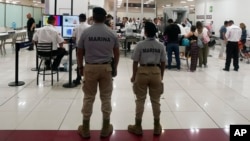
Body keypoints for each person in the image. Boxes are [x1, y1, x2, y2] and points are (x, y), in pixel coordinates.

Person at [77, 7, 120, 138]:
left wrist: (80, 67)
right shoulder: (111, 33)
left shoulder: (86, 32)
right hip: (106, 68)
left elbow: (79, 52)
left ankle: (85, 128)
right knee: (106, 98)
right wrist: (115, 68)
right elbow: (117, 53)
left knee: (88, 97)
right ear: (105, 18)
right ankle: (105, 128)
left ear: (93, 17)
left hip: (90, 68)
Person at [128, 21, 166, 136]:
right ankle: (157, 126)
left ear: (145, 32)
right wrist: (161, 75)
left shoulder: (140, 45)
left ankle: (138, 126)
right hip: (156, 72)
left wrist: (134, 76)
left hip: (142, 71)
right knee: (156, 100)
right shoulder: (160, 45)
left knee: (140, 100)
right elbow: (163, 62)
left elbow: (135, 62)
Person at [72, 13, 90, 85]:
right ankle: (87, 78)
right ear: (85, 19)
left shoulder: (76, 27)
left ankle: (78, 78)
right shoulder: (89, 27)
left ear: (79, 19)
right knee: (88, 62)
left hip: (79, 47)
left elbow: (73, 37)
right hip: (88, 47)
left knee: (79, 62)